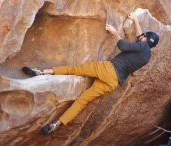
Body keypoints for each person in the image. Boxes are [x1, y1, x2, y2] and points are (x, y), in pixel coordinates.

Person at [22, 12, 159, 135]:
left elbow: (123, 45)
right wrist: (135, 20)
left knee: (76, 69)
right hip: (113, 82)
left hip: (108, 69)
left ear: (146, 40)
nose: (140, 36)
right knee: (83, 101)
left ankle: (42, 73)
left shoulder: (142, 45)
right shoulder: (147, 56)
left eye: (143, 37)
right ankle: (57, 123)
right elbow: (141, 37)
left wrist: (114, 32)